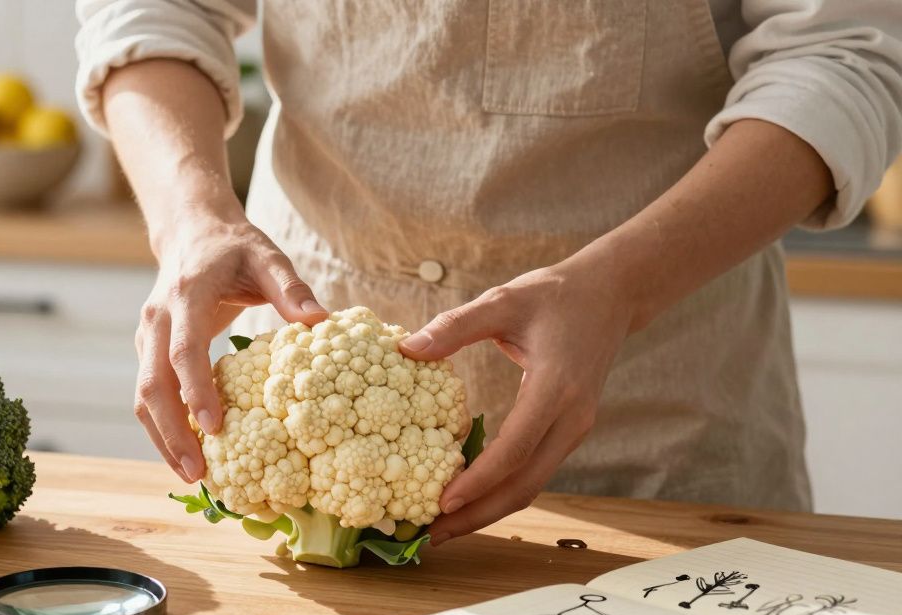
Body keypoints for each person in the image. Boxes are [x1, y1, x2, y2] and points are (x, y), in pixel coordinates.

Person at [75, 1, 902, 544]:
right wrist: (191, 217)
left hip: (662, 430)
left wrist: (619, 286)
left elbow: (844, 59)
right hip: (301, 443)